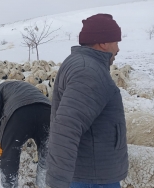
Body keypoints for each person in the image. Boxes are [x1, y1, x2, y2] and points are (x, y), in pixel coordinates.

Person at [46, 14, 128, 188]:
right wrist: (58, 183)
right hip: (93, 177)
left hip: (91, 170)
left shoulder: (84, 64)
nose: (118, 49)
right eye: (116, 42)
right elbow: (66, 129)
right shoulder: (88, 71)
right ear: (104, 43)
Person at [0, 80, 51, 188]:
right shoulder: (29, 87)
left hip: (20, 114)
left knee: (10, 156)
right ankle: (43, 184)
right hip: (47, 112)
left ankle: (10, 185)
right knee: (47, 154)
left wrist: (1, 137)